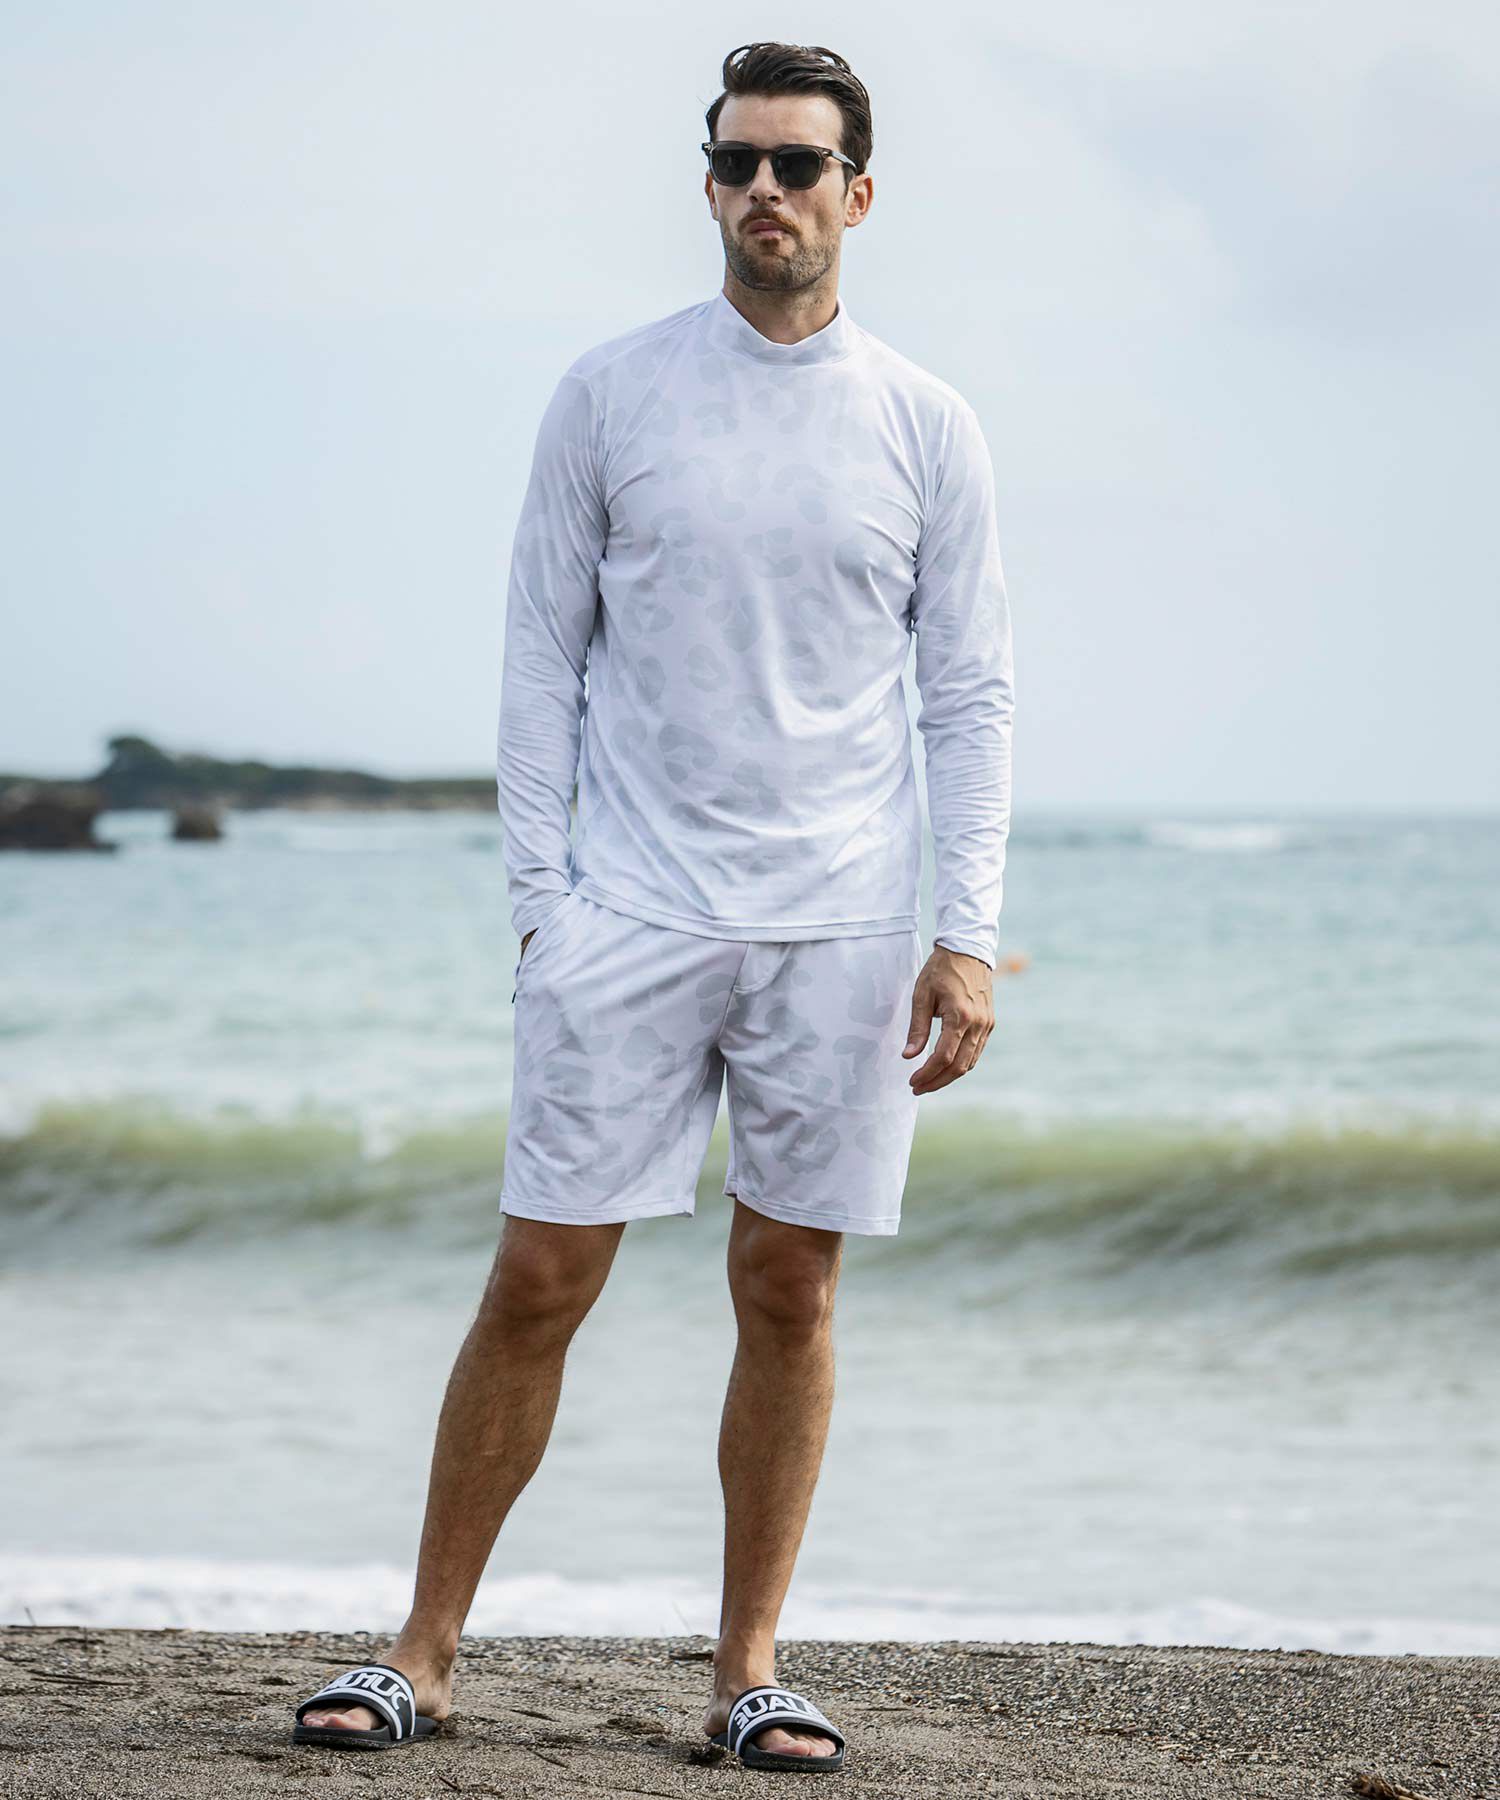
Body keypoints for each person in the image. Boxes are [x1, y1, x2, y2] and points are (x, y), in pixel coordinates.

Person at [293, 39, 1014, 1770]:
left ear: (857, 193)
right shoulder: (613, 395)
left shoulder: (925, 423)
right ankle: (422, 1653)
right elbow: (540, 656)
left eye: (797, 164)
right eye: (738, 162)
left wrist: (966, 930)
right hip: (627, 909)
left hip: (841, 923)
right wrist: (542, 903)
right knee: (541, 1273)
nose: (765, 190)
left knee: (790, 1287)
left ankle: (747, 1668)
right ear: (708, 185)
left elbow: (970, 695)